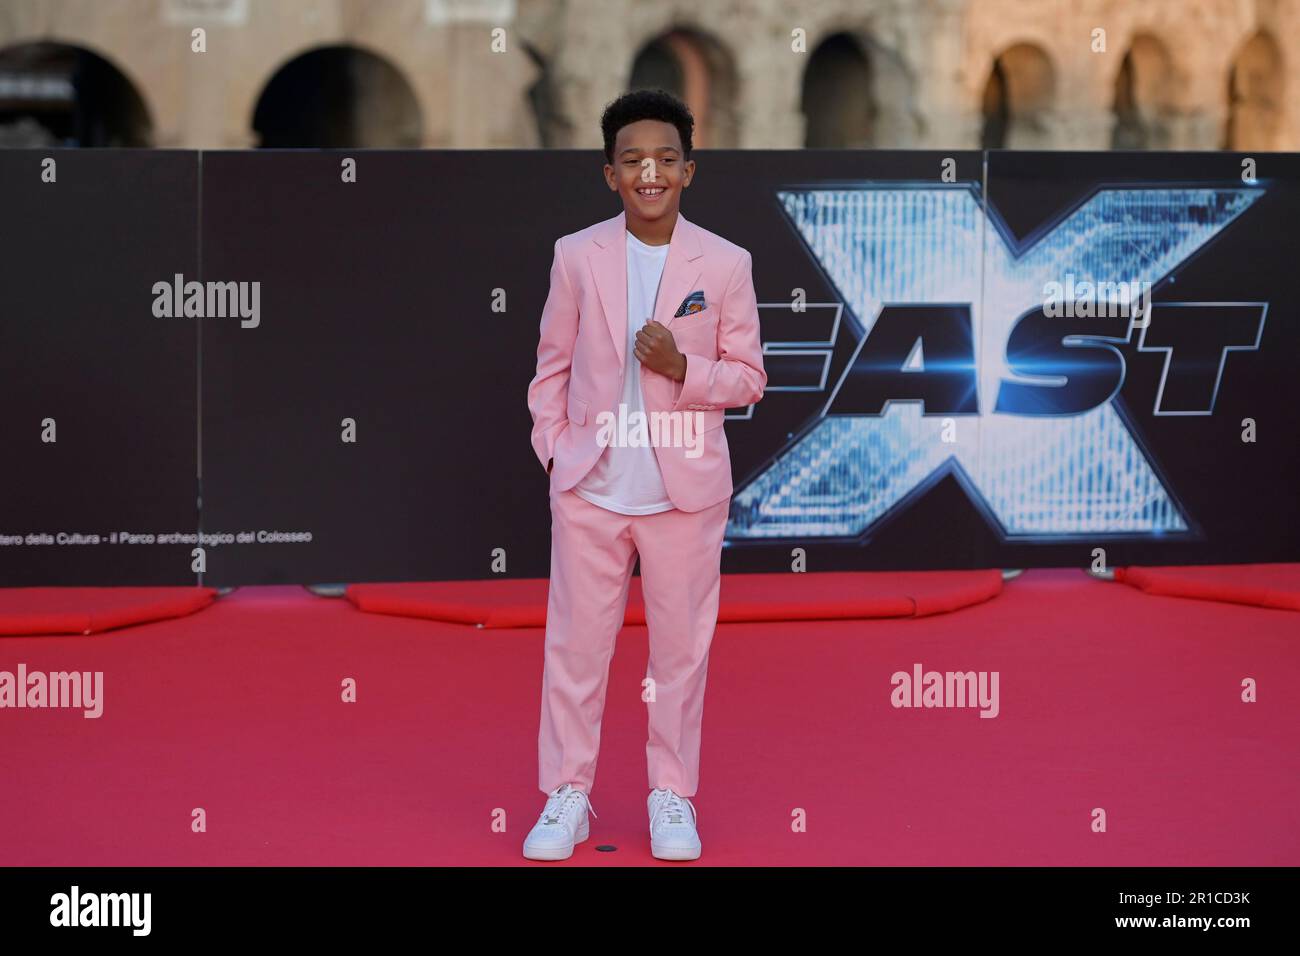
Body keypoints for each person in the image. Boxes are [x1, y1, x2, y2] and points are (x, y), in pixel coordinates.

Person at [523, 88, 767, 861]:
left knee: (679, 655)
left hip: (683, 496)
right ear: (610, 174)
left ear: (688, 170)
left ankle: (671, 795)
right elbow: (549, 370)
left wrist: (681, 366)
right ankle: (568, 794)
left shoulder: (726, 264)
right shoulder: (575, 255)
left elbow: (749, 379)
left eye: (665, 159)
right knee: (575, 649)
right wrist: (558, 451)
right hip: (592, 489)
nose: (650, 173)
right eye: (633, 161)